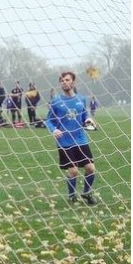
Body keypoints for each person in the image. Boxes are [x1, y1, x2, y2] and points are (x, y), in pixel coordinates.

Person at [46, 71, 98, 205]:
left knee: (90, 168)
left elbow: (84, 116)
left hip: (81, 139)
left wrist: (89, 120)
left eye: (67, 80)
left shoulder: (81, 99)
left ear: (73, 82)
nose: (64, 82)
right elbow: (49, 120)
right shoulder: (56, 101)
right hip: (64, 141)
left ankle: (87, 193)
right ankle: (71, 195)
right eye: (62, 80)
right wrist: (54, 129)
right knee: (73, 171)